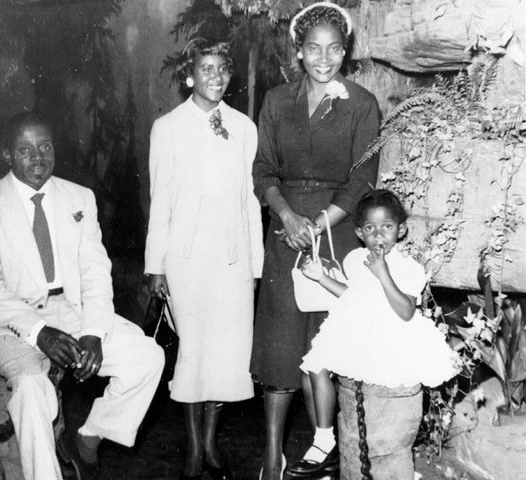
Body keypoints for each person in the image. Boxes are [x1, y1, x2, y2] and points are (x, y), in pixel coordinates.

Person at [0, 112, 165, 480]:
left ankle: (88, 438)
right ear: (7, 155)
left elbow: (95, 273)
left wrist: (93, 332)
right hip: (4, 320)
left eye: (45, 147)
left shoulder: (78, 198)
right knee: (31, 385)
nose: (38, 158)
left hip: (68, 310)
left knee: (147, 357)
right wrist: (39, 332)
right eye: (25, 150)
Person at [250, 2, 382, 479]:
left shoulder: (362, 103)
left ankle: (327, 450)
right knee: (280, 345)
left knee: (324, 345)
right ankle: (272, 455)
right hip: (285, 231)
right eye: (313, 48)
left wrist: (321, 222)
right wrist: (286, 215)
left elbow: (363, 177)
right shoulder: (276, 101)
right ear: (299, 51)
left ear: (345, 51)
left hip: (337, 232)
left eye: (333, 48)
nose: (323, 58)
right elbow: (263, 170)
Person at [145, 38, 264, 480]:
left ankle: (212, 442)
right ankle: (194, 446)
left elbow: (251, 201)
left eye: (222, 69)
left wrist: (255, 265)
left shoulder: (244, 127)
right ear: (189, 76)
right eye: (206, 69)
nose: (216, 77)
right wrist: (155, 265)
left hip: (233, 257)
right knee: (193, 351)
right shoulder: (168, 127)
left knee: (226, 355)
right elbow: (160, 199)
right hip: (186, 257)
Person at [300, 189, 460, 479]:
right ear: (359, 233)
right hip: (361, 327)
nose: (379, 235)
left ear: (401, 230)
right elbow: (353, 296)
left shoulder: (408, 267)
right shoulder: (354, 259)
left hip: (392, 331)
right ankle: (323, 438)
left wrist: (383, 272)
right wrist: (320, 277)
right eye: (370, 228)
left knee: (381, 405)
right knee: (315, 364)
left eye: (387, 226)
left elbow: (405, 311)